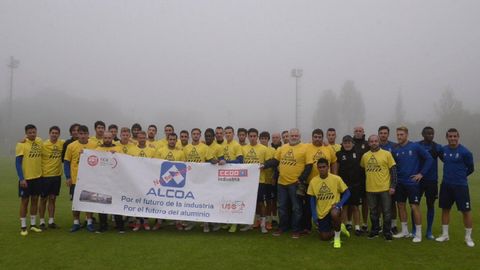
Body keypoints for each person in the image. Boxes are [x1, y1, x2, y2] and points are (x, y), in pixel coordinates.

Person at [264, 128, 312, 239]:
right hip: (281, 183)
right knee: (281, 207)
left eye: (296, 136)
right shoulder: (282, 148)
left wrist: (301, 179)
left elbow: (309, 166)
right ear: (289, 136)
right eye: (292, 136)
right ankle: (282, 227)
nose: (294, 137)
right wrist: (263, 165)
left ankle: (296, 230)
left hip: (295, 183)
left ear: (299, 137)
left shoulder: (305, 148)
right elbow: (275, 161)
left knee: (297, 208)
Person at [392, 126, 433, 243]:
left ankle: (418, 233)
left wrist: (421, 174)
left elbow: (429, 159)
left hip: (412, 183)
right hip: (399, 182)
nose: (399, 137)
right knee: (400, 205)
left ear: (407, 135)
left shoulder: (415, 146)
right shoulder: (395, 149)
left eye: (401, 134)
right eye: (398, 135)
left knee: (414, 206)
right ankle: (405, 231)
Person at [435, 128, 475, 247]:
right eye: (450, 136)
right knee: (445, 209)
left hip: (461, 186)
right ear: (447, 137)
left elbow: (471, 168)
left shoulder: (465, 152)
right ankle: (445, 235)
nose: (452, 138)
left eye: (454, 136)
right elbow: (444, 159)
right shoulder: (444, 150)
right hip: (446, 185)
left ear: (458, 137)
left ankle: (468, 237)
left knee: (466, 211)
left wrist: (461, 176)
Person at [308, 158, 351, 248]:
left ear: (328, 167)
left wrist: (340, 204)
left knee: (335, 213)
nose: (322, 169)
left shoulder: (336, 179)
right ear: (317, 168)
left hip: (334, 208)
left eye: (324, 167)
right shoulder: (313, 181)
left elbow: (347, 193)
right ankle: (339, 227)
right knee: (324, 237)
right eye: (320, 167)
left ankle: (337, 238)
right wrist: (314, 215)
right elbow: (312, 199)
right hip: (322, 213)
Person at [361, 135, 397, 241]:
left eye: (376, 141)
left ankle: (387, 232)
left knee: (387, 212)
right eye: (371, 141)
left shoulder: (387, 154)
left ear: (379, 142)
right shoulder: (365, 156)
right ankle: (375, 230)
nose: (374, 143)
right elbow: (362, 171)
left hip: (385, 188)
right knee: (373, 212)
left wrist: (393, 186)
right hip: (370, 189)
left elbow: (393, 171)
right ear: (368, 143)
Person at [183, 128, 219, 232]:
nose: (195, 135)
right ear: (191, 135)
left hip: (202, 179)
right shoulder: (186, 148)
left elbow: (210, 159)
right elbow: (184, 162)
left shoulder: (204, 147)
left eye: (197, 134)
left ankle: (206, 223)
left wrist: (216, 161)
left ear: (200, 136)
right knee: (190, 202)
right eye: (193, 134)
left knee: (203, 201)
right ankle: (191, 222)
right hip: (190, 179)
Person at [64, 125, 97, 232]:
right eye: (81, 134)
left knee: (89, 201)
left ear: (88, 134)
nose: (83, 136)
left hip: (90, 179)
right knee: (76, 202)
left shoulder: (94, 144)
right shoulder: (71, 146)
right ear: (77, 134)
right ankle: (76, 223)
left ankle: (89, 222)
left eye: (85, 134)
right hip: (75, 179)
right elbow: (66, 163)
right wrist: (68, 177)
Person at [303, 129, 337, 233]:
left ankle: (328, 225)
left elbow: (334, 162)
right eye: (315, 137)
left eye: (319, 137)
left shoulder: (328, 148)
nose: (317, 139)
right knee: (308, 206)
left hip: (327, 182)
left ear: (323, 138)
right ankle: (307, 228)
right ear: (312, 137)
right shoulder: (306, 147)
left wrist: (335, 176)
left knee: (326, 206)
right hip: (311, 183)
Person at [241, 128, 272, 233]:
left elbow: (269, 162)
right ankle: (248, 224)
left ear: (257, 137)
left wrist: (264, 165)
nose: (253, 138)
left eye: (255, 136)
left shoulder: (264, 149)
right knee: (247, 203)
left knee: (261, 203)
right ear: (248, 137)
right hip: (247, 181)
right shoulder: (244, 148)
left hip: (260, 181)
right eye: (251, 136)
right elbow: (241, 164)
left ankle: (263, 224)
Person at [16, 124, 44, 236]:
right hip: (26, 179)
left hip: (38, 177)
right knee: (24, 201)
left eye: (34, 132)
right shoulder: (21, 144)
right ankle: (23, 226)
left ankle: (32, 225)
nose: (32, 134)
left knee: (35, 200)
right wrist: (21, 178)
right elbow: (17, 163)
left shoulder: (39, 141)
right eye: (30, 132)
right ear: (26, 133)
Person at [95, 132, 125, 233]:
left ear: (112, 138)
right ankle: (103, 226)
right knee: (102, 203)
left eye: (109, 138)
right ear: (102, 138)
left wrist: (117, 155)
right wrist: (83, 153)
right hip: (102, 181)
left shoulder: (118, 149)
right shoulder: (97, 150)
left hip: (115, 181)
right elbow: (92, 162)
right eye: (105, 138)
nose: (107, 139)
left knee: (116, 203)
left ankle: (120, 226)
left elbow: (124, 163)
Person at [417, 126, 443, 239]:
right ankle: (414, 229)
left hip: (432, 181)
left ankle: (429, 231)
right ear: (423, 134)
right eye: (428, 133)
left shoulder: (437, 147)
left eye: (432, 133)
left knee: (430, 205)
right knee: (415, 205)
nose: (430, 135)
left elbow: (447, 160)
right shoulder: (417, 146)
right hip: (418, 180)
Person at [337, 135, 364, 235]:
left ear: (352, 143)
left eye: (349, 142)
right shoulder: (339, 154)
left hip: (356, 185)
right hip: (343, 186)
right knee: (344, 206)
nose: (347, 144)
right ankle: (344, 226)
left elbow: (362, 169)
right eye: (345, 142)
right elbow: (336, 170)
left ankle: (357, 227)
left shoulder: (359, 153)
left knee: (355, 207)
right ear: (342, 143)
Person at [38, 126, 64, 230]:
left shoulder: (61, 143)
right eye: (53, 133)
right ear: (49, 133)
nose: (54, 135)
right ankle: (41, 221)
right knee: (43, 199)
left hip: (57, 176)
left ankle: (51, 221)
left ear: (59, 134)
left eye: (56, 133)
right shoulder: (43, 145)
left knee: (53, 199)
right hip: (45, 176)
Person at [378, 125, 397, 234]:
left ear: (388, 134)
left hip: (390, 180)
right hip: (378, 181)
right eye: (381, 133)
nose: (383, 135)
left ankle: (393, 225)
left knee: (392, 204)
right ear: (378, 134)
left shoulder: (393, 146)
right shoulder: (374, 145)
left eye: (385, 133)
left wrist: (393, 182)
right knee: (380, 205)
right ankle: (380, 225)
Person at [353, 126, 370, 233]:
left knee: (365, 202)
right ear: (354, 132)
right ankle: (352, 223)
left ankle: (364, 223)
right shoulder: (350, 142)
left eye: (360, 131)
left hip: (365, 178)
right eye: (356, 131)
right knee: (353, 202)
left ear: (363, 132)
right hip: (354, 178)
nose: (358, 133)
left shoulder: (367, 144)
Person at [259, 131, 277, 230]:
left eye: (265, 139)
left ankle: (269, 221)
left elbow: (275, 164)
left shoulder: (272, 150)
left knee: (269, 201)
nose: (263, 140)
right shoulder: (257, 149)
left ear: (268, 140)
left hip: (269, 180)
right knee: (259, 201)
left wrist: (274, 177)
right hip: (259, 180)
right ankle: (259, 219)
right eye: (261, 138)